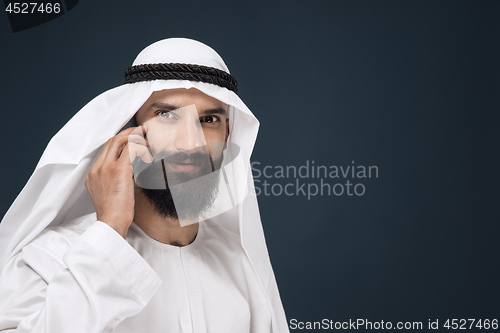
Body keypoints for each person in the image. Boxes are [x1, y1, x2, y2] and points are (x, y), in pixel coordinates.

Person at [0, 38, 289, 333]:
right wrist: (110, 230)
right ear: (129, 130)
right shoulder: (49, 258)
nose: (191, 143)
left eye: (209, 119)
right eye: (166, 115)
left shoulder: (242, 265)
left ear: (227, 136)